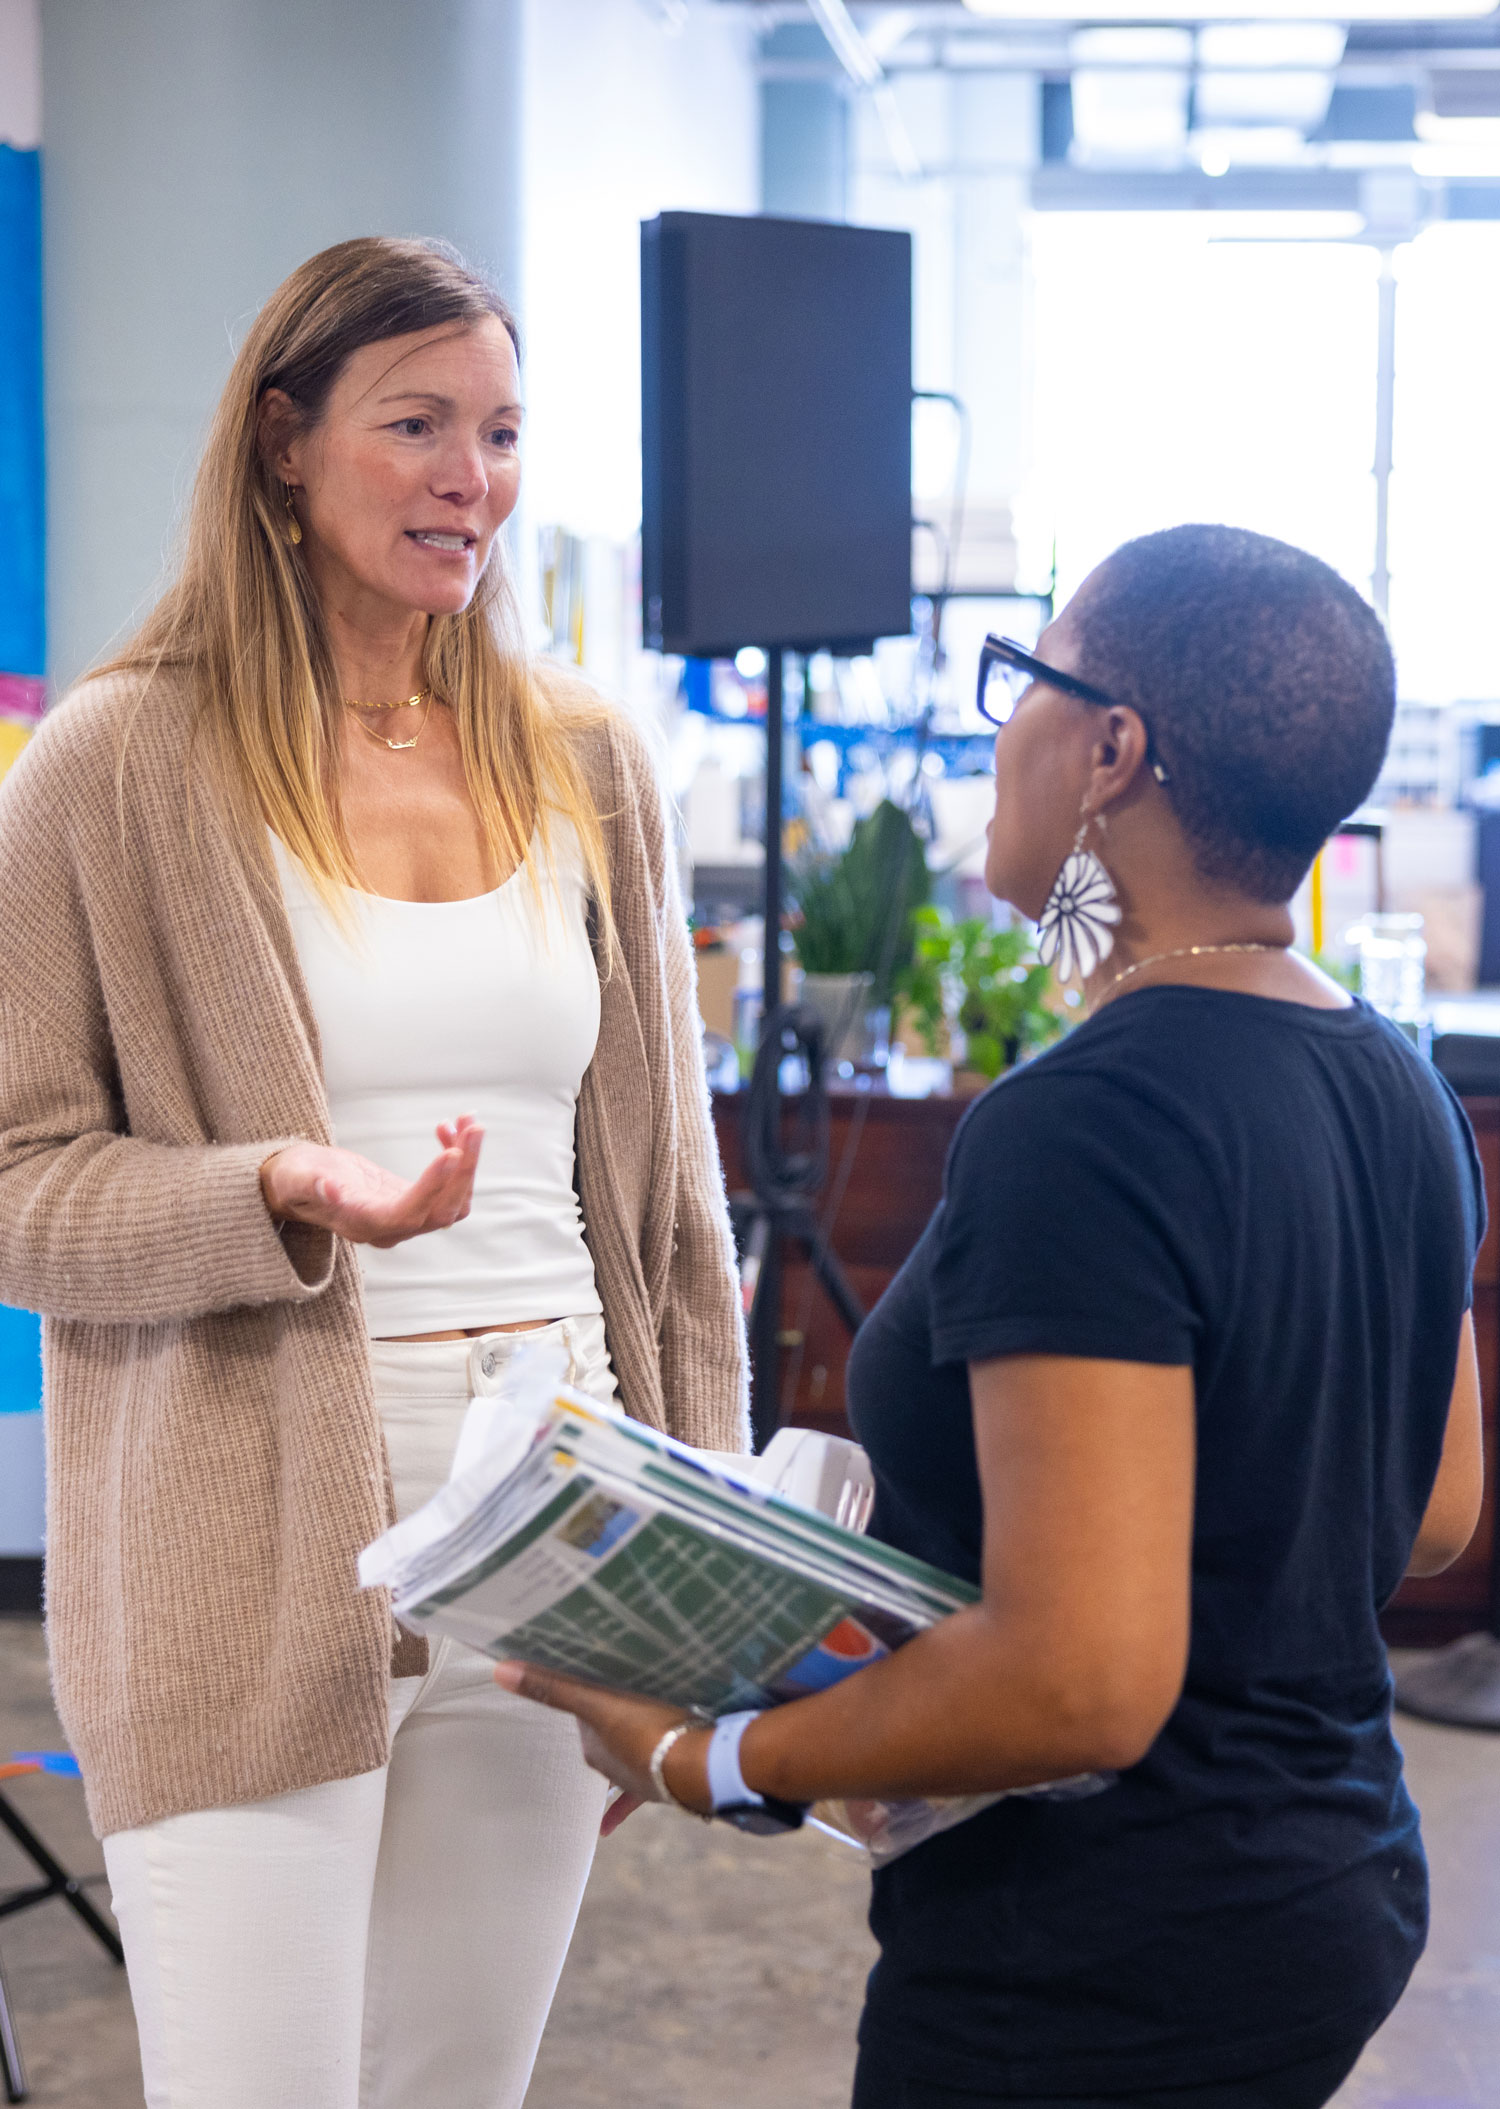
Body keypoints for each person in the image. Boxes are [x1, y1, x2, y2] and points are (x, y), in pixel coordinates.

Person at [503, 524, 1486, 2109]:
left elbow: (1085, 1679)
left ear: (1113, 749)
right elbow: (1428, 1511)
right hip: (1328, 1879)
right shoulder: (1399, 1082)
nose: (995, 729)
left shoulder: (1089, 1123)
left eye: (1021, 684)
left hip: (1101, 1947)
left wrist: (706, 1755)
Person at [0, 235, 747, 2109]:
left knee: (456, 2090)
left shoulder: (587, 757)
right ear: (280, 442)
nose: (467, 478)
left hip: (556, 1537)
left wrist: (702, 1554)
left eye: (498, 431)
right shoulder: (116, 763)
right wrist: (270, 1196)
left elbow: (670, 1217)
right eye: (414, 424)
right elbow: (18, 1181)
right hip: (247, 1565)